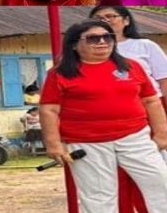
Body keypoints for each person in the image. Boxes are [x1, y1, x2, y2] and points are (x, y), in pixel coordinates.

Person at [40, 20, 167, 213]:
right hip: (87, 142)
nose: (102, 42)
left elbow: (151, 101)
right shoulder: (59, 73)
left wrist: (162, 133)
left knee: (161, 183)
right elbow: (49, 109)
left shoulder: (132, 66)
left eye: (108, 37)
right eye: (93, 38)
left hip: (135, 137)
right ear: (74, 44)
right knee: (98, 196)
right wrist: (53, 143)